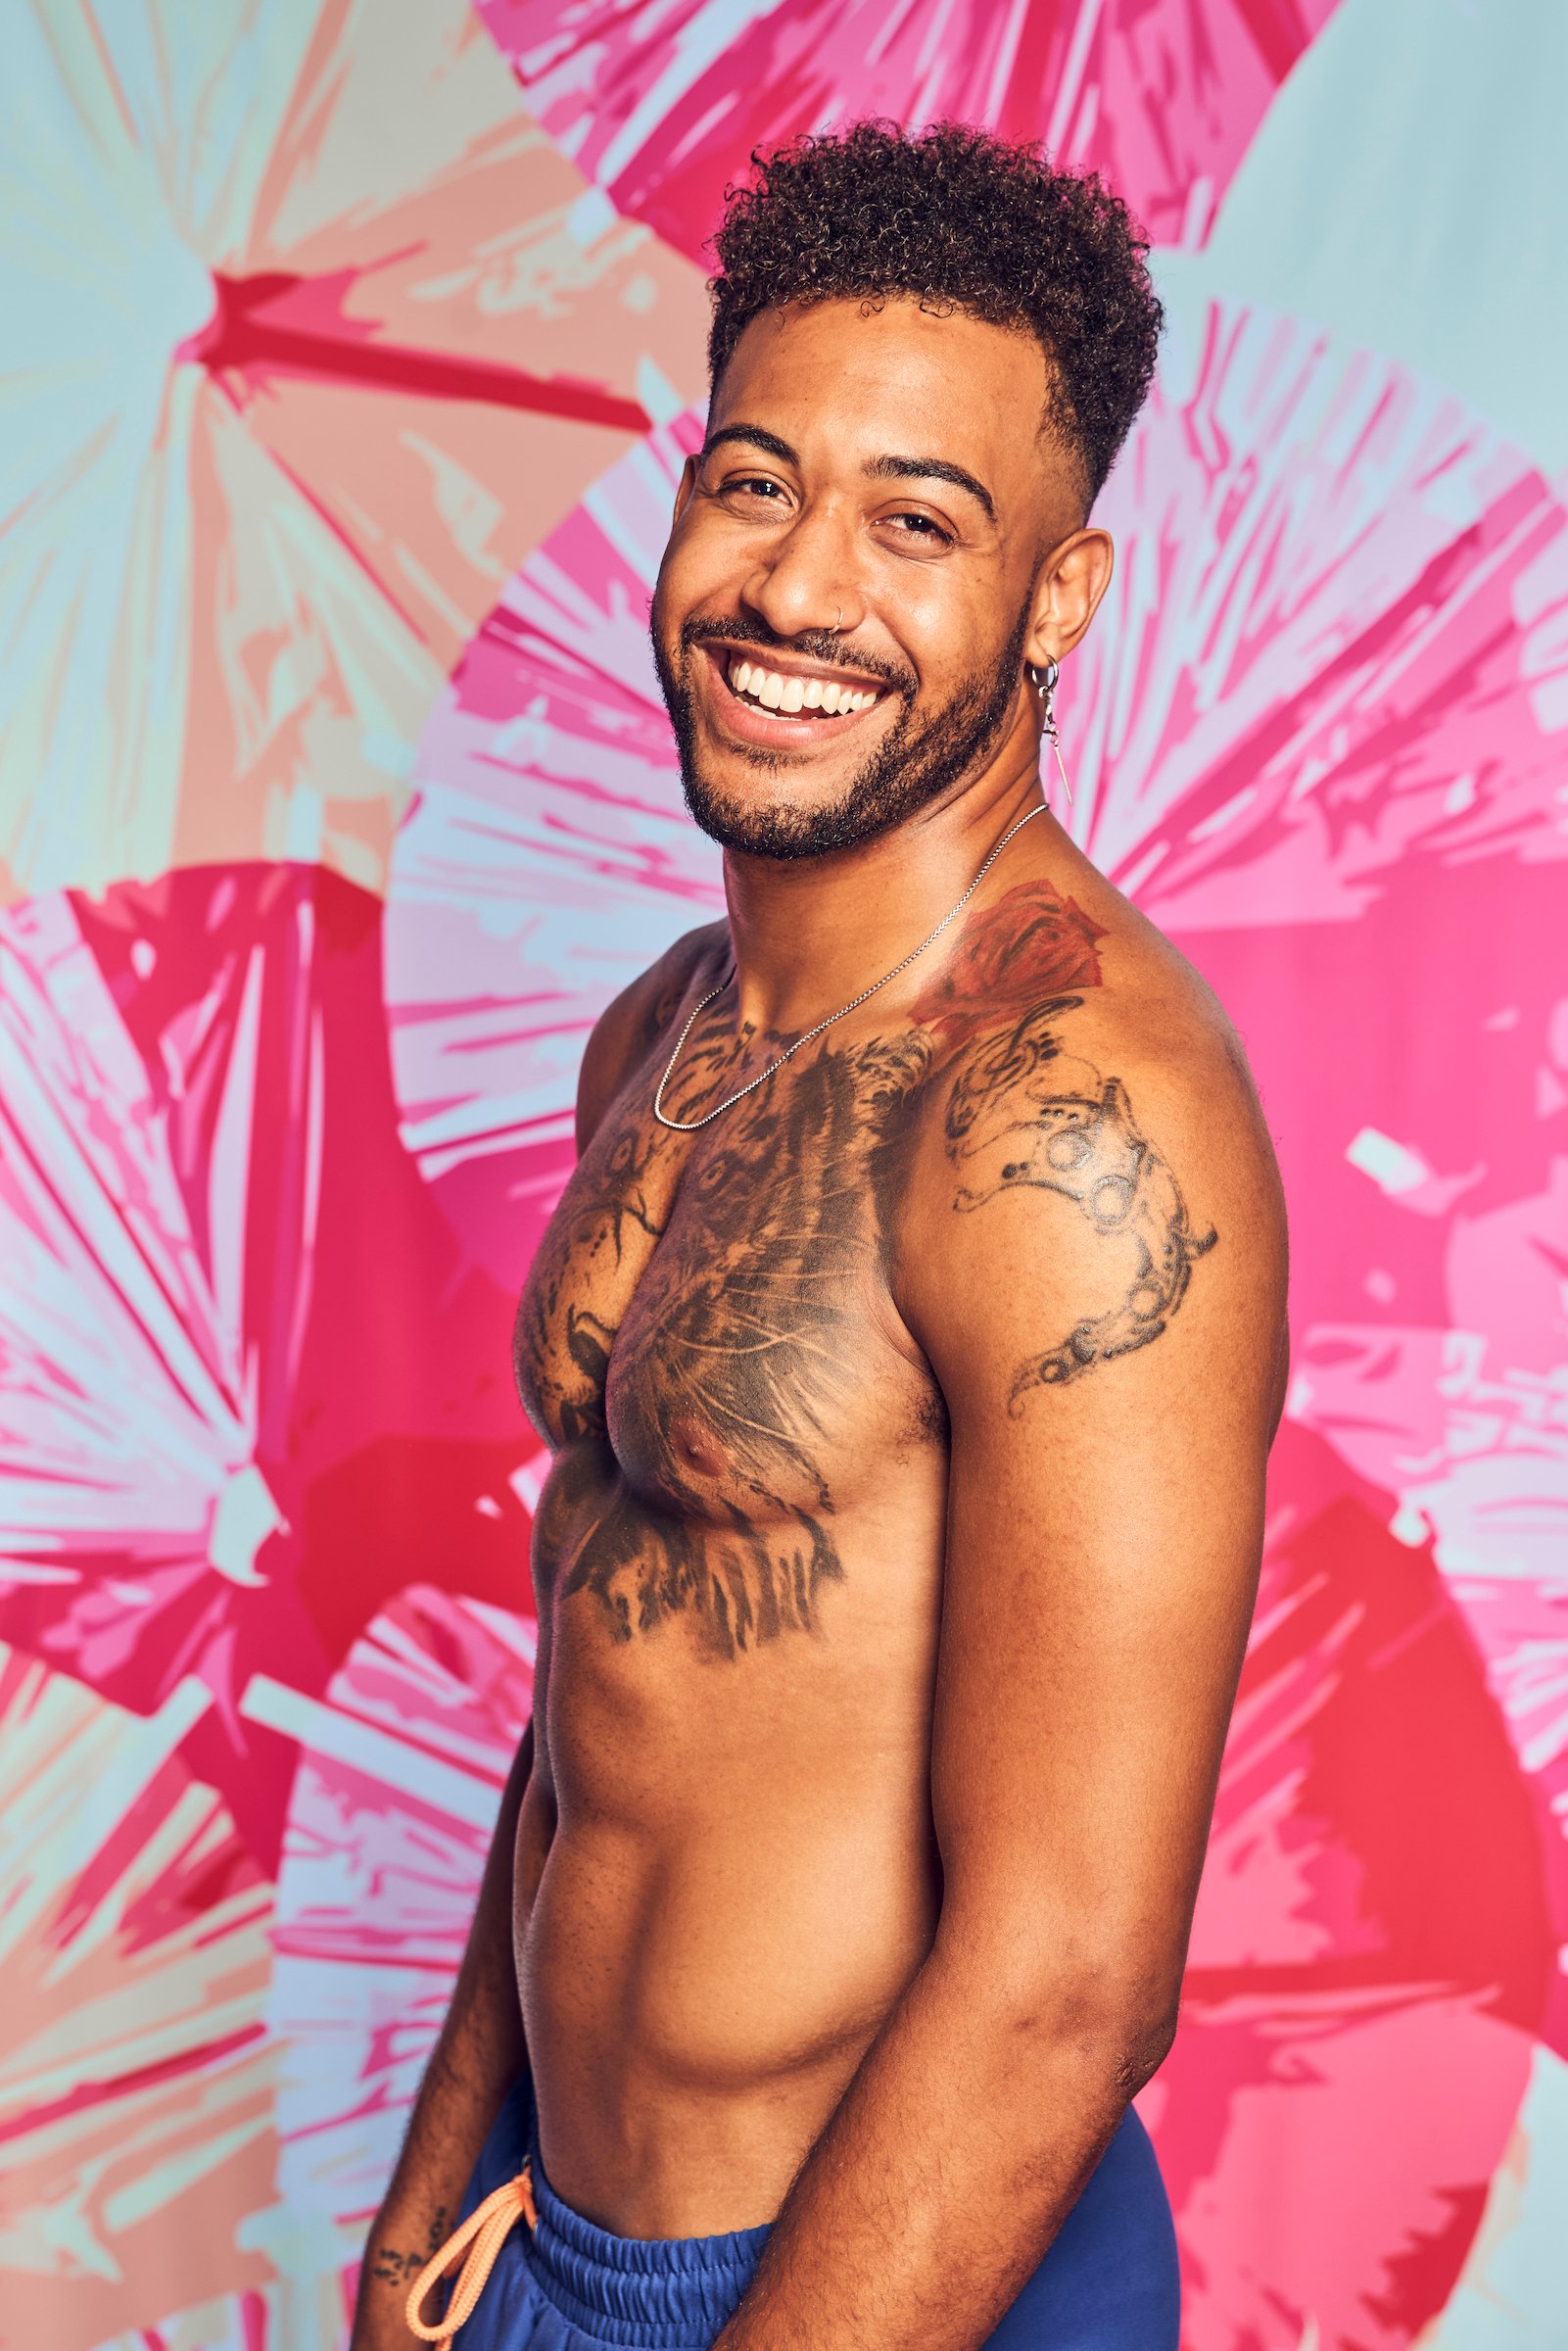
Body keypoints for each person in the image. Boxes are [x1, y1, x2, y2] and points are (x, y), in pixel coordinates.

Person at [352, 120, 1288, 2351]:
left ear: (1060, 596)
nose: (795, 589)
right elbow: (614, 1662)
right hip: (548, 2245)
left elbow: (1068, 1979)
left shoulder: (1069, 1119)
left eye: (918, 521)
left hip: (888, 2286)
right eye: (755, 481)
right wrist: (420, 2239)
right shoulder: (660, 1037)